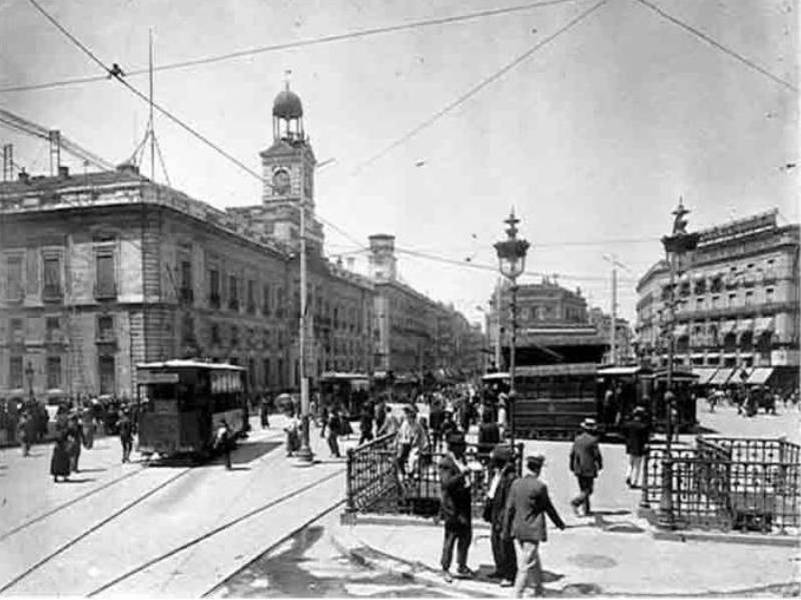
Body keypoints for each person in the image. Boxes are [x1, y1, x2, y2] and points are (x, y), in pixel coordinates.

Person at [503, 454, 566, 597]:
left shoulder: (516, 483)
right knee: (526, 565)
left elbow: (509, 508)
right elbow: (548, 507)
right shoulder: (539, 486)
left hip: (518, 528)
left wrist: (506, 530)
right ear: (538, 469)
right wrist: (559, 523)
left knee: (532, 560)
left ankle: (538, 590)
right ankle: (516, 595)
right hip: (532, 530)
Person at [438, 432, 474, 583]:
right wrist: (462, 474)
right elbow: (446, 484)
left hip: (464, 503)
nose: (464, 448)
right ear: (453, 447)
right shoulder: (446, 462)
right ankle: (445, 568)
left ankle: (462, 564)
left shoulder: (461, 459)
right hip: (453, 506)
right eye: (461, 446)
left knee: (466, 536)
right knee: (450, 538)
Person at [486, 445, 518, 587]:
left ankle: (510, 574)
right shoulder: (497, 473)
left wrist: (504, 517)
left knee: (505, 543)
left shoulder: (510, 477)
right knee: (495, 541)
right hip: (495, 509)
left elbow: (509, 500)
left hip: (503, 513)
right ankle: (500, 568)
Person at [569, 418, 603, 517]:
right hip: (589, 467)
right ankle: (576, 502)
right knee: (588, 489)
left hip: (578, 466)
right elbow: (597, 455)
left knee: (583, 488)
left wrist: (571, 465)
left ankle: (586, 509)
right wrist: (600, 464)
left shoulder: (577, 439)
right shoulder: (593, 440)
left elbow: (572, 454)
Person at [622, 407, 649, 488]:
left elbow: (624, 433)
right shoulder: (643, 426)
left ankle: (628, 475)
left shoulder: (629, 425)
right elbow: (645, 438)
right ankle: (635, 481)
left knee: (630, 462)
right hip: (639, 447)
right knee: (637, 465)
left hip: (631, 446)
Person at [396, 405, 426, 477]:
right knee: (399, 458)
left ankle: (412, 473)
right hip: (406, 444)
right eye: (405, 414)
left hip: (415, 445)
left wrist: (413, 443)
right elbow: (401, 433)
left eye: (408, 414)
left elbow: (416, 437)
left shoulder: (416, 425)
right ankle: (404, 473)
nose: (406, 415)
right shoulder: (405, 423)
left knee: (413, 459)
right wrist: (398, 441)